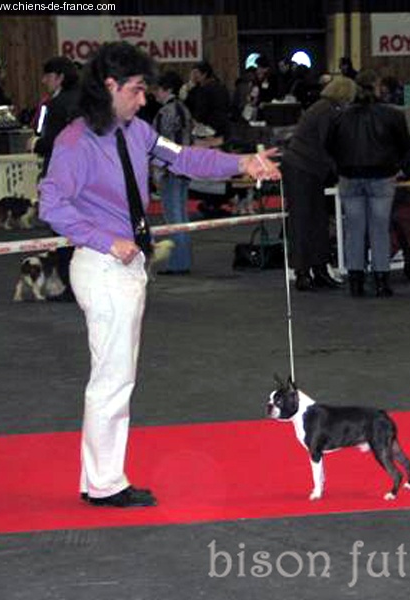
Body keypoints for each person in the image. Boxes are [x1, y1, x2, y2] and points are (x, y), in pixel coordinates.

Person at [39, 41, 280, 508]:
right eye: (135, 89)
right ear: (110, 86)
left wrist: (242, 163)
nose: (143, 98)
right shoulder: (74, 142)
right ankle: (105, 484)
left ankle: (98, 478)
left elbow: (185, 157)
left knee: (114, 376)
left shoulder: (136, 131)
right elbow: (51, 205)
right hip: (104, 265)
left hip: (126, 266)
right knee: (113, 380)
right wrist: (105, 239)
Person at [328, 69, 410, 298]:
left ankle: (355, 281)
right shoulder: (393, 115)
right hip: (382, 177)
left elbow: (330, 147)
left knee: (354, 230)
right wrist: (407, 171)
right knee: (380, 229)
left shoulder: (340, 117)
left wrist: (338, 169)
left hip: (349, 177)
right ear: (378, 87)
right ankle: (381, 281)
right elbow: (405, 148)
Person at [282, 76, 357, 291]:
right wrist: (342, 167)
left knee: (315, 219)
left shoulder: (322, 108)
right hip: (303, 168)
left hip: (304, 167)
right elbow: (328, 145)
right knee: (304, 220)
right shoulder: (328, 111)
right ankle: (305, 272)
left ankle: (316, 269)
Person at [153, 70, 193, 274]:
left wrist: (157, 171)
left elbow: (159, 145)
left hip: (170, 170)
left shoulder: (164, 113)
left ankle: (178, 264)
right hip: (185, 167)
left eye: (158, 89)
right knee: (182, 216)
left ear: (166, 89)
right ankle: (182, 261)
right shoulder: (184, 109)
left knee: (173, 218)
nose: (154, 93)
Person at [33, 56, 81, 176]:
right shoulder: (85, 98)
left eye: (48, 76)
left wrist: (35, 144)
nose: (44, 81)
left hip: (61, 168)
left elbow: (54, 141)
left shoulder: (57, 103)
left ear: (60, 78)